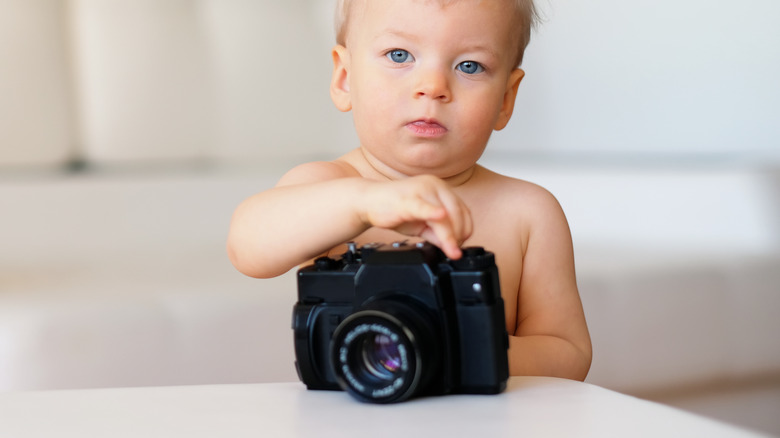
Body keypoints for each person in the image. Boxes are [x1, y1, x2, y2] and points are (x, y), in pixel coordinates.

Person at [227, 0, 592, 380]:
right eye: (399, 55)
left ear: (505, 99)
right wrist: (362, 203)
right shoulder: (331, 187)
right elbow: (246, 247)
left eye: (470, 66)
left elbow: (569, 354)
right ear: (344, 79)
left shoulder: (528, 213)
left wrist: (451, 347)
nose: (432, 87)